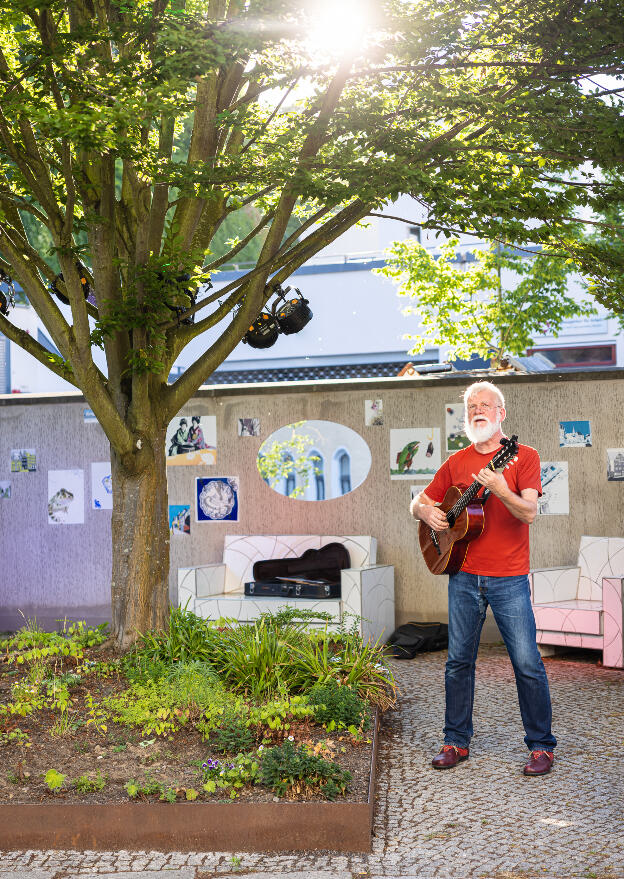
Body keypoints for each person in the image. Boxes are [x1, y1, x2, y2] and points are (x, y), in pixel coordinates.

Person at [410, 380, 557, 776]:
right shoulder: (457, 462)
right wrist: (426, 514)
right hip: (463, 576)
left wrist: (500, 489)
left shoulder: (523, 456)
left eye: (485, 405)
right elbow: (418, 501)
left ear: (501, 413)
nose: (477, 410)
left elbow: (528, 513)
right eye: (471, 405)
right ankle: (455, 741)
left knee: (527, 663)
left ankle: (542, 746)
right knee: (458, 662)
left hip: (509, 578)